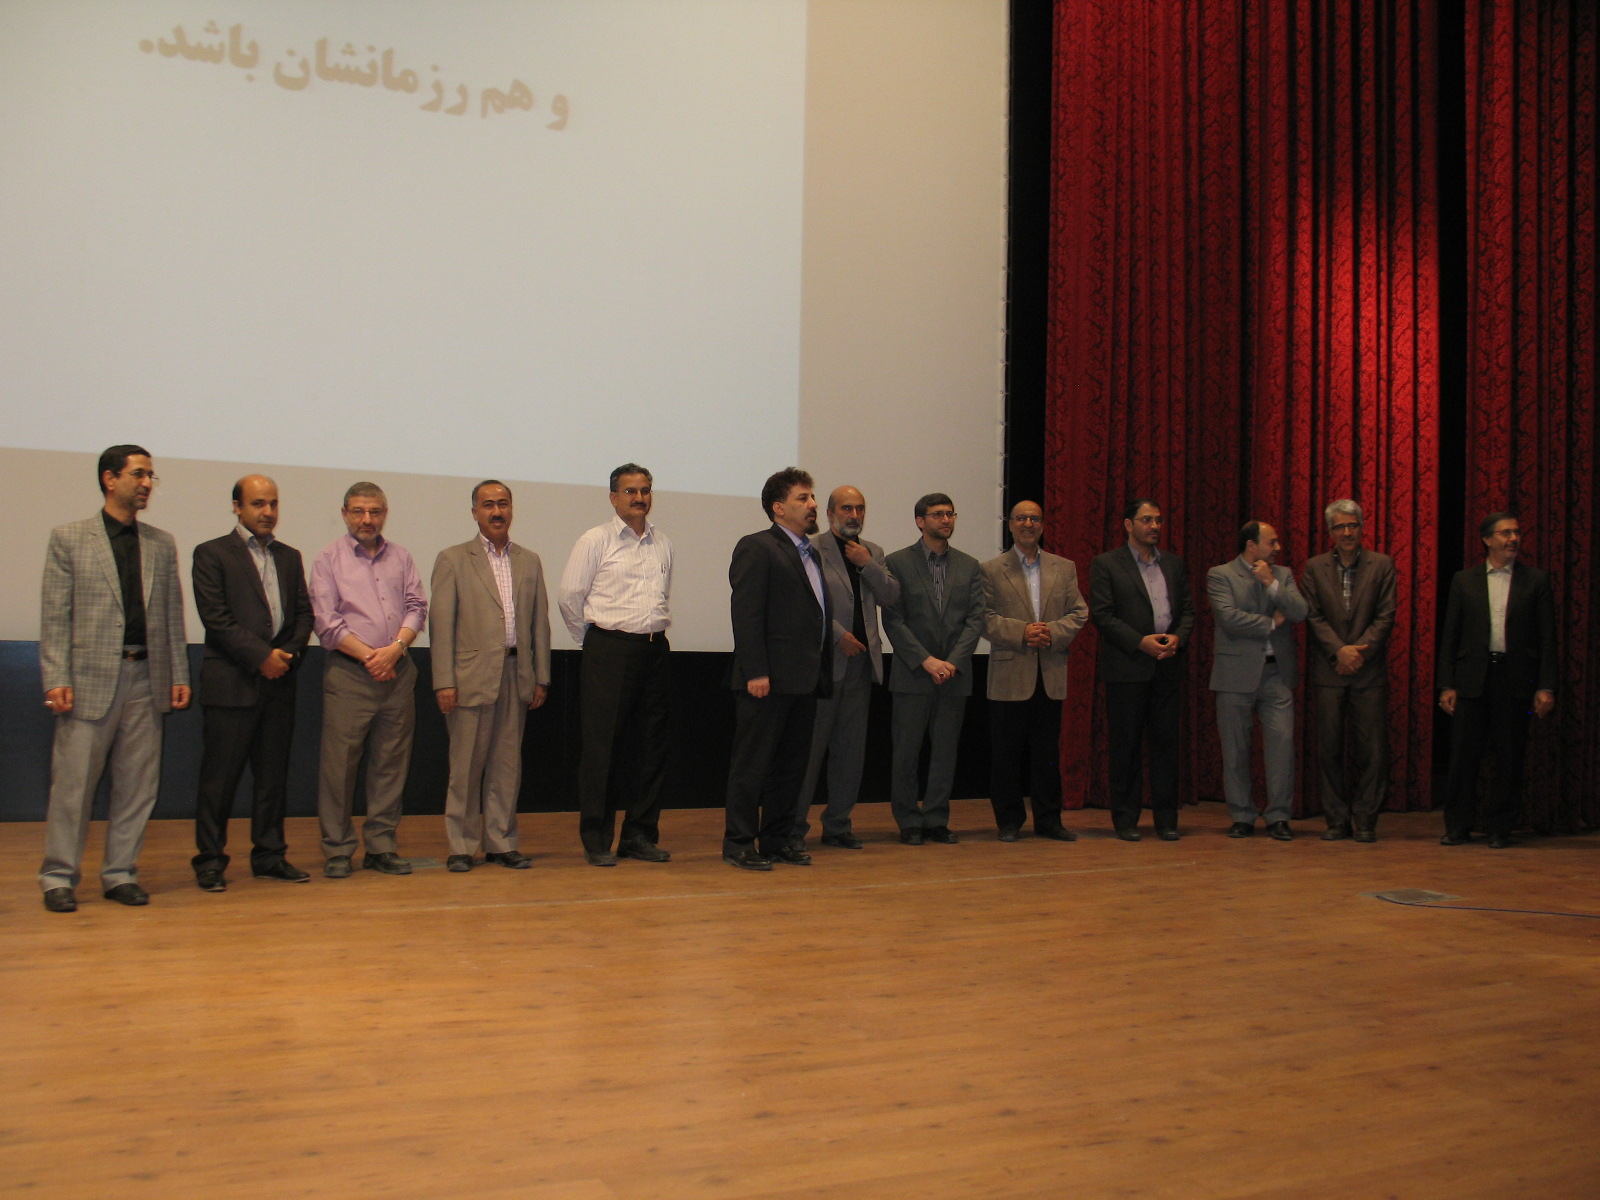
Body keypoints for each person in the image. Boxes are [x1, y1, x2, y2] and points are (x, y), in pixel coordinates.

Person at [38, 445, 191, 912]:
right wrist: (56, 677)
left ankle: (120, 873)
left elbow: (171, 614)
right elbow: (55, 616)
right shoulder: (69, 538)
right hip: (88, 680)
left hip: (148, 675)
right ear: (110, 479)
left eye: (150, 476)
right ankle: (58, 877)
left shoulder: (161, 543)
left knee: (137, 786)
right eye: (138, 474)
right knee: (73, 787)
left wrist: (178, 672)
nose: (146, 484)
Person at [189, 475, 315, 892]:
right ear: (237, 507)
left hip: (279, 684)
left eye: (273, 504)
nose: (268, 512)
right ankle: (210, 861)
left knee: (272, 779)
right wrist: (262, 658)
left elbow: (304, 616)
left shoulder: (290, 557)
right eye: (258, 503)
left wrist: (286, 656)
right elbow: (217, 618)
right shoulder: (211, 553)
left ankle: (269, 856)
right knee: (219, 781)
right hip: (232, 684)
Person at [430, 481, 551, 872]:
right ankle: (462, 845)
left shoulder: (530, 561)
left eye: (502, 504)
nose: (496, 511)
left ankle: (501, 841)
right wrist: (444, 681)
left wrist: (541, 676)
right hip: (469, 677)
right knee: (466, 767)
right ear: (475, 513)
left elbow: (540, 624)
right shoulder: (452, 559)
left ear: (511, 509)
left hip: (517, 673)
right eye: (488, 505)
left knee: (506, 766)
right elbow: (441, 626)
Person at [308, 483, 427, 878]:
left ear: (384, 514)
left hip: (398, 672)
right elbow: (326, 622)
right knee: (339, 767)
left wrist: (395, 649)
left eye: (374, 512)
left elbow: (416, 607)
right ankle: (338, 849)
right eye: (358, 511)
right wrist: (372, 657)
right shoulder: (328, 559)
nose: (367, 519)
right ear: (345, 513)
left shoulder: (402, 557)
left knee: (390, 764)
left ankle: (381, 846)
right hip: (350, 675)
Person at [558, 464, 674, 867]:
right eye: (630, 491)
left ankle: (639, 836)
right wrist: (595, 642)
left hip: (654, 649)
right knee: (602, 748)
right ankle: (597, 839)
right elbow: (569, 598)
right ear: (613, 497)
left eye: (645, 490)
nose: (639, 498)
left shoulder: (663, 542)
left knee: (651, 748)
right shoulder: (595, 540)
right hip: (609, 650)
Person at [723, 468, 832, 870]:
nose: (813, 504)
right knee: (752, 767)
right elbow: (747, 613)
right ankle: (738, 843)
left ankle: (776, 840)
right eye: (803, 498)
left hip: (803, 680)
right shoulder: (757, 547)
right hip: (766, 680)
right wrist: (755, 671)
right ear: (778, 508)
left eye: (812, 497)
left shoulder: (811, 553)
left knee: (790, 768)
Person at [1437, 512, 1557, 848]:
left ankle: (1500, 828)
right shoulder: (1464, 580)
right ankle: (1458, 826)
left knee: (1509, 756)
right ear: (1487, 539)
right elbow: (1451, 635)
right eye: (1505, 533)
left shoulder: (1536, 580)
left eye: (1516, 532)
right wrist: (1446, 684)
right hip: (1472, 678)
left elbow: (1548, 638)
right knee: (1464, 757)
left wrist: (1546, 686)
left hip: (1514, 678)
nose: (1513, 539)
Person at [791, 485, 899, 851]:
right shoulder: (811, 548)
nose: (854, 515)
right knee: (810, 752)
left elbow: (891, 596)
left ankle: (838, 825)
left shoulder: (873, 552)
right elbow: (805, 603)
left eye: (860, 508)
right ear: (830, 513)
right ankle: (793, 828)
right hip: (823, 666)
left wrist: (867, 565)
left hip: (861, 667)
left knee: (850, 752)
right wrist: (837, 635)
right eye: (847, 508)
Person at [980, 500, 1087, 841]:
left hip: (1050, 672)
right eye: (1021, 518)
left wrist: (1051, 632)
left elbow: (1079, 612)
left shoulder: (1064, 567)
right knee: (1006, 753)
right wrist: (1022, 632)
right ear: (1010, 524)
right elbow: (984, 617)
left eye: (1034, 519)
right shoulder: (991, 569)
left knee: (1047, 753)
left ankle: (1049, 820)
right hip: (1009, 674)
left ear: (1042, 525)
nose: (1028, 524)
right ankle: (1009, 822)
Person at [1089, 498, 1195, 841]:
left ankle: (1166, 820)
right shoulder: (1107, 564)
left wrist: (1178, 638)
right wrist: (1140, 643)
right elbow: (1103, 615)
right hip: (1127, 668)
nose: (1154, 526)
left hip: (1167, 666)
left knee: (1166, 746)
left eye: (1158, 520)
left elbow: (1188, 611)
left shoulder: (1173, 564)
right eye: (1147, 520)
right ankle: (1126, 819)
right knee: (1126, 746)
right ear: (1128, 524)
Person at [882, 493, 985, 845]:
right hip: (913, 673)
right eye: (938, 514)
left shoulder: (969, 565)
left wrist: (952, 661)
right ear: (920, 521)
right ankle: (909, 820)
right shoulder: (897, 563)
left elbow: (975, 620)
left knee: (945, 753)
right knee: (906, 753)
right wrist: (926, 660)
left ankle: (937, 818)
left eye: (950, 514)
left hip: (954, 675)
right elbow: (893, 619)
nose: (946, 520)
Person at [1300, 500, 1396, 843]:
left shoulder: (1382, 564)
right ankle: (1337, 820)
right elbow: (1312, 615)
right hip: (1330, 671)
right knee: (1329, 749)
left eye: (1352, 525)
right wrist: (1339, 651)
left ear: (1362, 527)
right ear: (1330, 532)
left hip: (1368, 672)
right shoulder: (1314, 567)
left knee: (1373, 751)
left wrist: (1357, 652)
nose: (1347, 532)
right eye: (1340, 527)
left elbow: (1385, 615)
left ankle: (1366, 820)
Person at [1207, 520, 1308, 840]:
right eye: (1271, 542)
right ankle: (1242, 815)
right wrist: (1271, 622)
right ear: (1251, 545)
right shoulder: (1220, 574)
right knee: (1235, 750)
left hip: (1276, 674)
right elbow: (1228, 618)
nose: (1278, 547)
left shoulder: (1282, 575)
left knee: (1281, 747)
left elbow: (1300, 611)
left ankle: (1278, 816)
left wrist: (1271, 583)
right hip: (1234, 674)